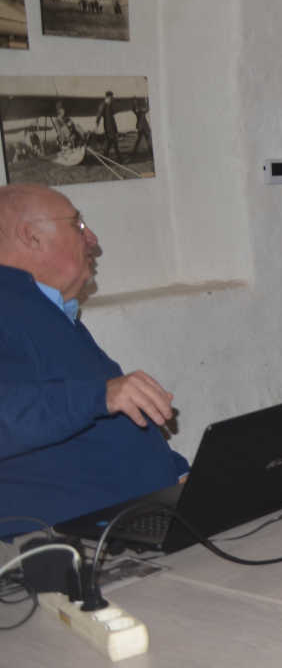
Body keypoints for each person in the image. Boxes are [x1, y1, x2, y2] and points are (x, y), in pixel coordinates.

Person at [0, 184, 186, 536]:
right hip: (61, 541)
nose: (93, 239)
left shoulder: (48, 313)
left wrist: (177, 472)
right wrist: (100, 395)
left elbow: (105, 421)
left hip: (133, 519)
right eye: (77, 225)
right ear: (31, 236)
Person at [95, 90, 120, 158]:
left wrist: (115, 128)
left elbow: (112, 117)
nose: (112, 99)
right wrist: (97, 124)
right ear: (108, 97)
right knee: (113, 142)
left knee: (110, 142)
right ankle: (119, 159)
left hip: (112, 126)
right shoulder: (103, 105)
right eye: (111, 98)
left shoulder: (109, 105)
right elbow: (99, 115)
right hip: (108, 127)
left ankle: (105, 157)